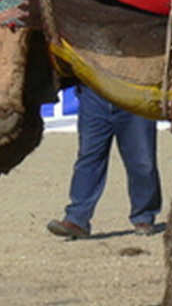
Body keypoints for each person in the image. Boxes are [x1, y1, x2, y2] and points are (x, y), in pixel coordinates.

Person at [47, 85, 162, 238]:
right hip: (94, 93)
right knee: (88, 158)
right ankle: (76, 219)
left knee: (142, 161)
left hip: (136, 92)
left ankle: (144, 217)